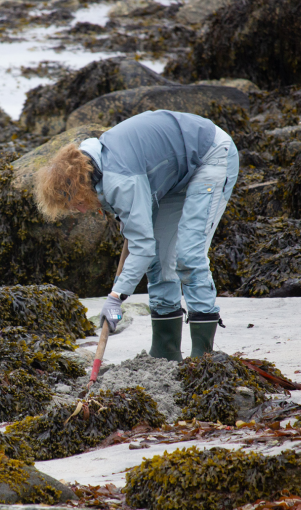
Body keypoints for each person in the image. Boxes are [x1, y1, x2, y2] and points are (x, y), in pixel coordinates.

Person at [34, 110, 239, 361]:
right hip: (173, 177)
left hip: (210, 154)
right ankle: (166, 351)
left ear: (79, 185)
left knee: (188, 254)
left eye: (75, 203)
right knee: (160, 262)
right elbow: (142, 238)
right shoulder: (92, 165)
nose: (78, 210)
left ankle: (202, 355)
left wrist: (116, 297)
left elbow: (142, 246)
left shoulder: (120, 179)